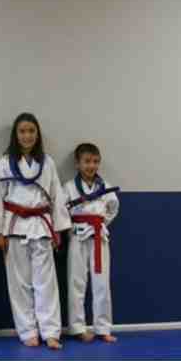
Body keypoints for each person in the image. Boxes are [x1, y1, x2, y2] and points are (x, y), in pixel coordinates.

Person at [0, 113, 70, 350]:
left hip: (41, 226)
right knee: (19, 284)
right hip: (15, 227)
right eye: (22, 131)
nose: (27, 136)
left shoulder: (47, 162)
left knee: (46, 283)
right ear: (16, 134)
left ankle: (50, 332)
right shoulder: (5, 162)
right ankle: (28, 331)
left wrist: (58, 229)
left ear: (37, 134)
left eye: (31, 131)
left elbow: (56, 196)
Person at [65, 142, 120, 343]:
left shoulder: (105, 187)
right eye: (87, 161)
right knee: (76, 282)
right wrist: (72, 227)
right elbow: (62, 211)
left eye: (95, 161)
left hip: (99, 236)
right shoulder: (69, 187)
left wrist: (101, 223)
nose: (91, 166)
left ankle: (103, 327)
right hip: (77, 237)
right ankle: (78, 328)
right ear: (77, 163)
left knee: (102, 283)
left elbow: (113, 208)